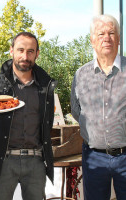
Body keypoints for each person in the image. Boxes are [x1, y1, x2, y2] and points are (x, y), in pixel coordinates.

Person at [0, 32, 56, 200]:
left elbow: (47, 122)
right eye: (20, 50)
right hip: (3, 162)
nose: (25, 56)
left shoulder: (45, 86)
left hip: (35, 162)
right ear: (11, 51)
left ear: (37, 54)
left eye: (30, 51)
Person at [71, 14, 126, 200]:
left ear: (118, 39)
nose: (106, 38)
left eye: (111, 33)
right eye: (100, 33)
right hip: (94, 157)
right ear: (92, 40)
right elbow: (77, 111)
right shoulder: (81, 75)